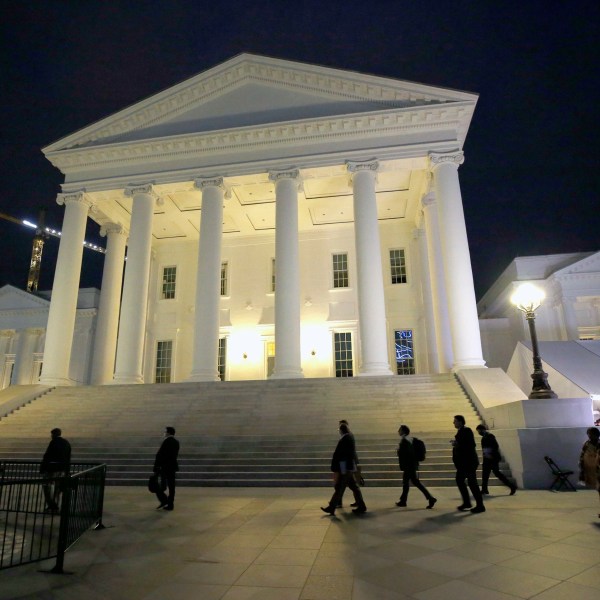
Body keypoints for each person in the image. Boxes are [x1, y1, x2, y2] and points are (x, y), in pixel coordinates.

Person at [321, 423, 367, 516]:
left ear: (342, 430)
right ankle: (361, 506)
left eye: (339, 430)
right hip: (348, 467)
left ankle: (332, 507)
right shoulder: (349, 437)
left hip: (345, 467)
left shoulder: (346, 439)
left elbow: (343, 455)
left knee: (340, 488)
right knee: (353, 487)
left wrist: (342, 469)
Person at [395, 425, 437, 509]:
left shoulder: (405, 440)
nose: (398, 431)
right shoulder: (410, 439)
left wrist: (399, 451)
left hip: (409, 466)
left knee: (412, 483)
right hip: (411, 465)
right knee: (407, 483)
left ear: (403, 431)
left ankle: (430, 498)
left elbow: (408, 453)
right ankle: (403, 500)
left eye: (399, 430)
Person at [452, 415, 485, 513]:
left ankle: (480, 505)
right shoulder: (461, 431)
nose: (453, 423)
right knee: (460, 480)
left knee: (472, 483)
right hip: (463, 463)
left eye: (455, 421)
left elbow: (471, 445)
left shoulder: (467, 430)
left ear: (461, 422)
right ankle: (467, 502)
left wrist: (457, 444)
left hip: (468, 462)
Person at [476, 425, 517, 495]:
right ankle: (484, 489)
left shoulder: (490, 436)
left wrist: (491, 455)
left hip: (492, 458)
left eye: (478, 431)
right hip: (487, 459)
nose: (478, 432)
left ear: (482, 429)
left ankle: (512, 486)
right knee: (485, 475)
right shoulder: (484, 438)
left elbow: (495, 446)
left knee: (497, 473)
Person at [40, 428, 71, 512]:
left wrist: (42, 469)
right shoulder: (66, 443)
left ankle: (52, 504)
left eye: (52, 434)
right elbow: (68, 458)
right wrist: (67, 470)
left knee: (47, 486)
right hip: (62, 469)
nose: (51, 436)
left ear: (54, 435)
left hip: (52, 469)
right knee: (57, 488)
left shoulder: (53, 442)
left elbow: (47, 456)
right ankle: (55, 503)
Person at [337, 419, 363, 508]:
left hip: (347, 464)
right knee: (350, 485)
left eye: (341, 426)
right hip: (349, 464)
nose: (339, 429)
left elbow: (348, 452)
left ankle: (336, 503)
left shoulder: (347, 437)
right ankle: (359, 503)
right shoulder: (347, 436)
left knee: (342, 484)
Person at [154, 426, 179, 511]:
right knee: (172, 487)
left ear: (168, 433)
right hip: (172, 467)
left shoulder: (166, 441)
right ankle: (170, 504)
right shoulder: (176, 442)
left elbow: (160, 455)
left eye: (165, 432)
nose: (164, 433)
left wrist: (156, 466)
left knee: (160, 486)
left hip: (165, 467)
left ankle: (164, 500)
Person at [579, 427, 599, 491]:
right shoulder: (586, 444)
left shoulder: (599, 444)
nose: (589, 436)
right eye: (589, 434)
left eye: (591, 434)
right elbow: (582, 455)